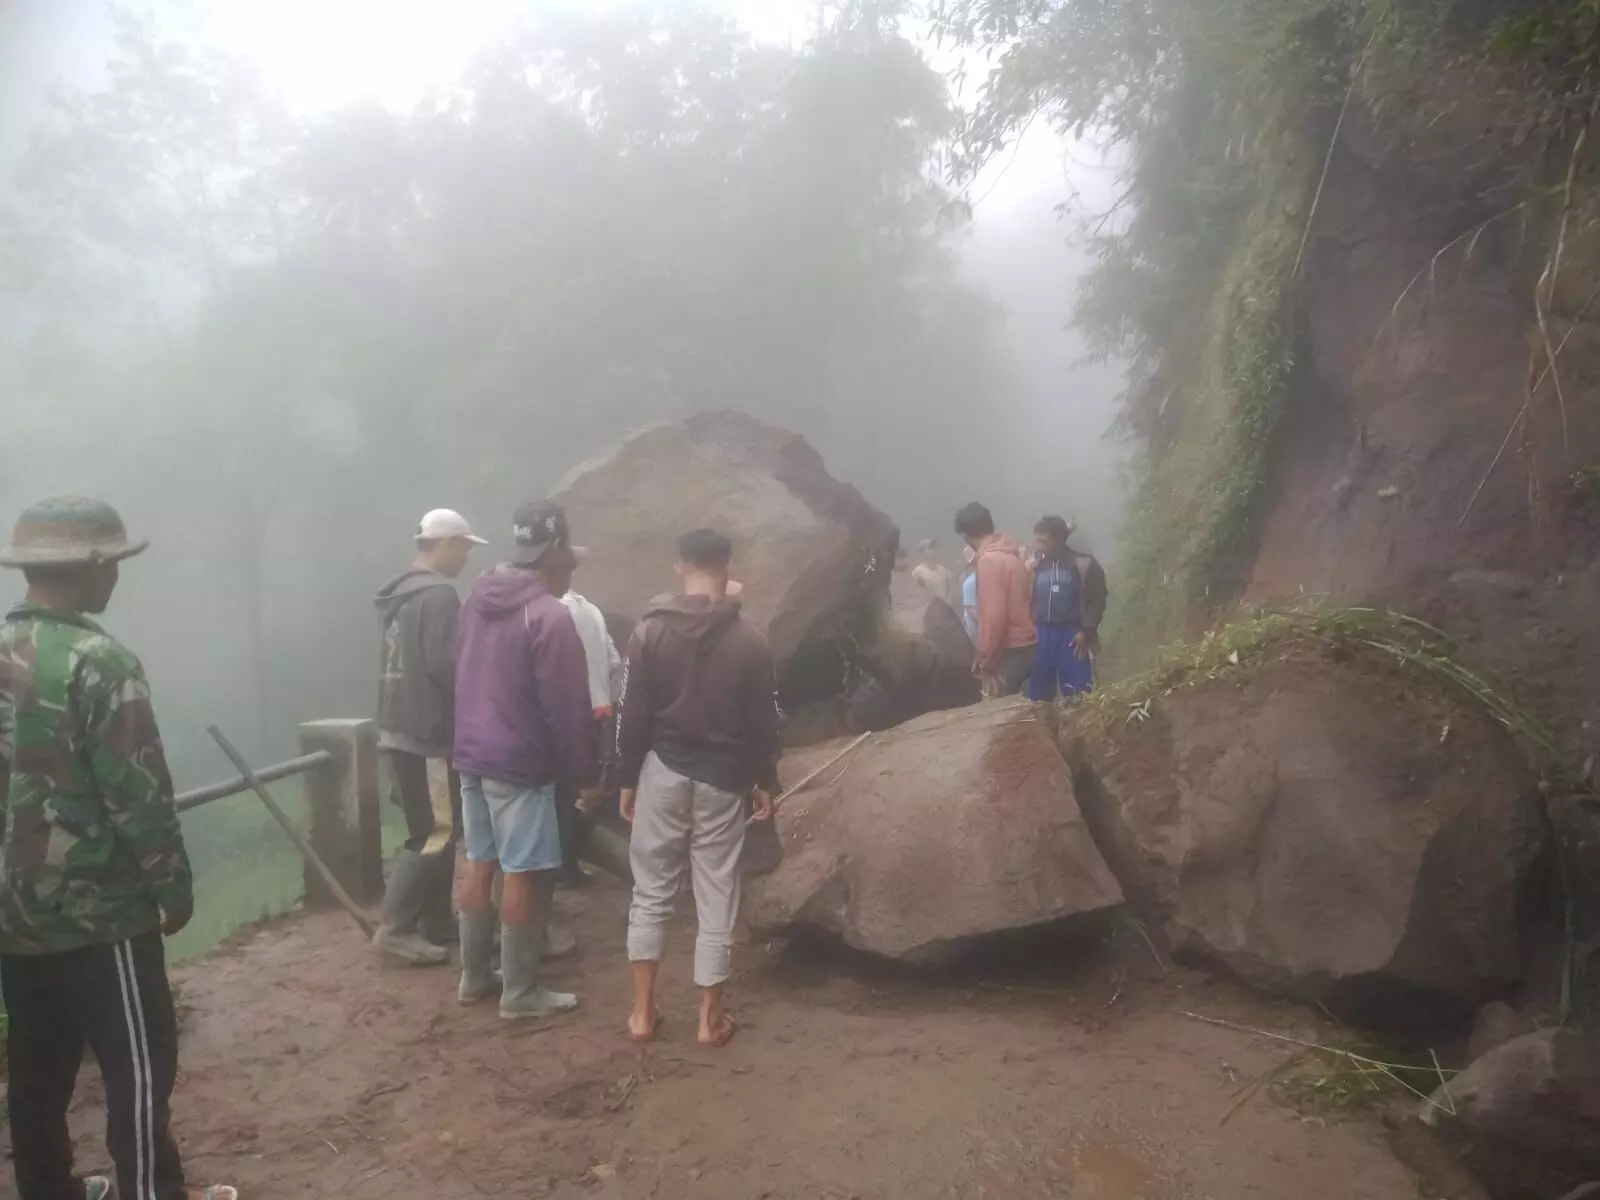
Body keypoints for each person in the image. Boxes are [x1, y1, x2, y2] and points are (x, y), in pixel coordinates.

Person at [0, 496, 236, 1200]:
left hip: (13, 915)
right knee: (137, 1064)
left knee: (37, 1069)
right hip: (102, 913)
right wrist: (172, 885)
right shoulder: (101, 661)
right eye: (116, 563)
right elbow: (138, 792)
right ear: (93, 566)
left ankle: (49, 1189)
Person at [615, 528, 780, 1048]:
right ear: (728, 569)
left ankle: (643, 1015)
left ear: (679, 568)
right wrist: (764, 781)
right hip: (723, 779)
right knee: (715, 894)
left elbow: (631, 716)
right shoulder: (751, 641)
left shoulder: (648, 633)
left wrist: (625, 778)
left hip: (662, 770)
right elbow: (763, 724)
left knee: (650, 894)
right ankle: (710, 1022)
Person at [453, 500, 600, 1020]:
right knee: (525, 872)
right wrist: (586, 775)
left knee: (480, 861)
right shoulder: (549, 618)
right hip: (520, 762)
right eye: (569, 561)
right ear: (555, 550)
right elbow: (567, 706)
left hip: (471, 754)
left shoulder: (475, 599)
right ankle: (520, 993)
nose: (571, 572)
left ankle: (474, 978)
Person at [371, 508, 486, 966]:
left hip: (397, 724)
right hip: (427, 731)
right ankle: (394, 928)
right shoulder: (438, 595)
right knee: (435, 830)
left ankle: (435, 921)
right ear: (447, 543)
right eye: (464, 548)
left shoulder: (398, 596)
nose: (465, 558)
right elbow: (446, 665)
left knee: (439, 825)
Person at [557, 570, 623, 889]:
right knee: (588, 793)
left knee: (562, 795)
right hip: (599, 712)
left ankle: (559, 867)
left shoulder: (548, 611)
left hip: (563, 715)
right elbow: (613, 662)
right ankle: (568, 866)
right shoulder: (590, 609)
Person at [954, 502, 1037, 696]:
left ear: (965, 536)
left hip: (1011, 650)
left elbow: (994, 617)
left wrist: (986, 659)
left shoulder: (990, 561)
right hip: (1029, 644)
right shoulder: (1010, 554)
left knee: (1001, 711)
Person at [1028, 516, 1109, 701]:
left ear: (1058, 539)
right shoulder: (1037, 565)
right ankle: (1043, 728)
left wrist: (1086, 631)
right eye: (1037, 539)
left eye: (1044, 540)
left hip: (1072, 635)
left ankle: (1079, 728)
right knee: (1038, 697)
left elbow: (1098, 599)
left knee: (1079, 694)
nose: (1039, 544)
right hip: (1042, 635)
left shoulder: (1083, 564)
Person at [911, 539, 953, 605]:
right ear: (922, 552)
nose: (934, 551)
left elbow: (949, 590)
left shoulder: (942, 569)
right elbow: (918, 594)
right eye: (930, 548)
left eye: (934, 548)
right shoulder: (918, 572)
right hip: (928, 609)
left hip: (944, 608)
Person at [960, 545, 979, 643]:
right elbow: (971, 610)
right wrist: (986, 625)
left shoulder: (984, 578)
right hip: (975, 630)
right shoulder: (970, 583)